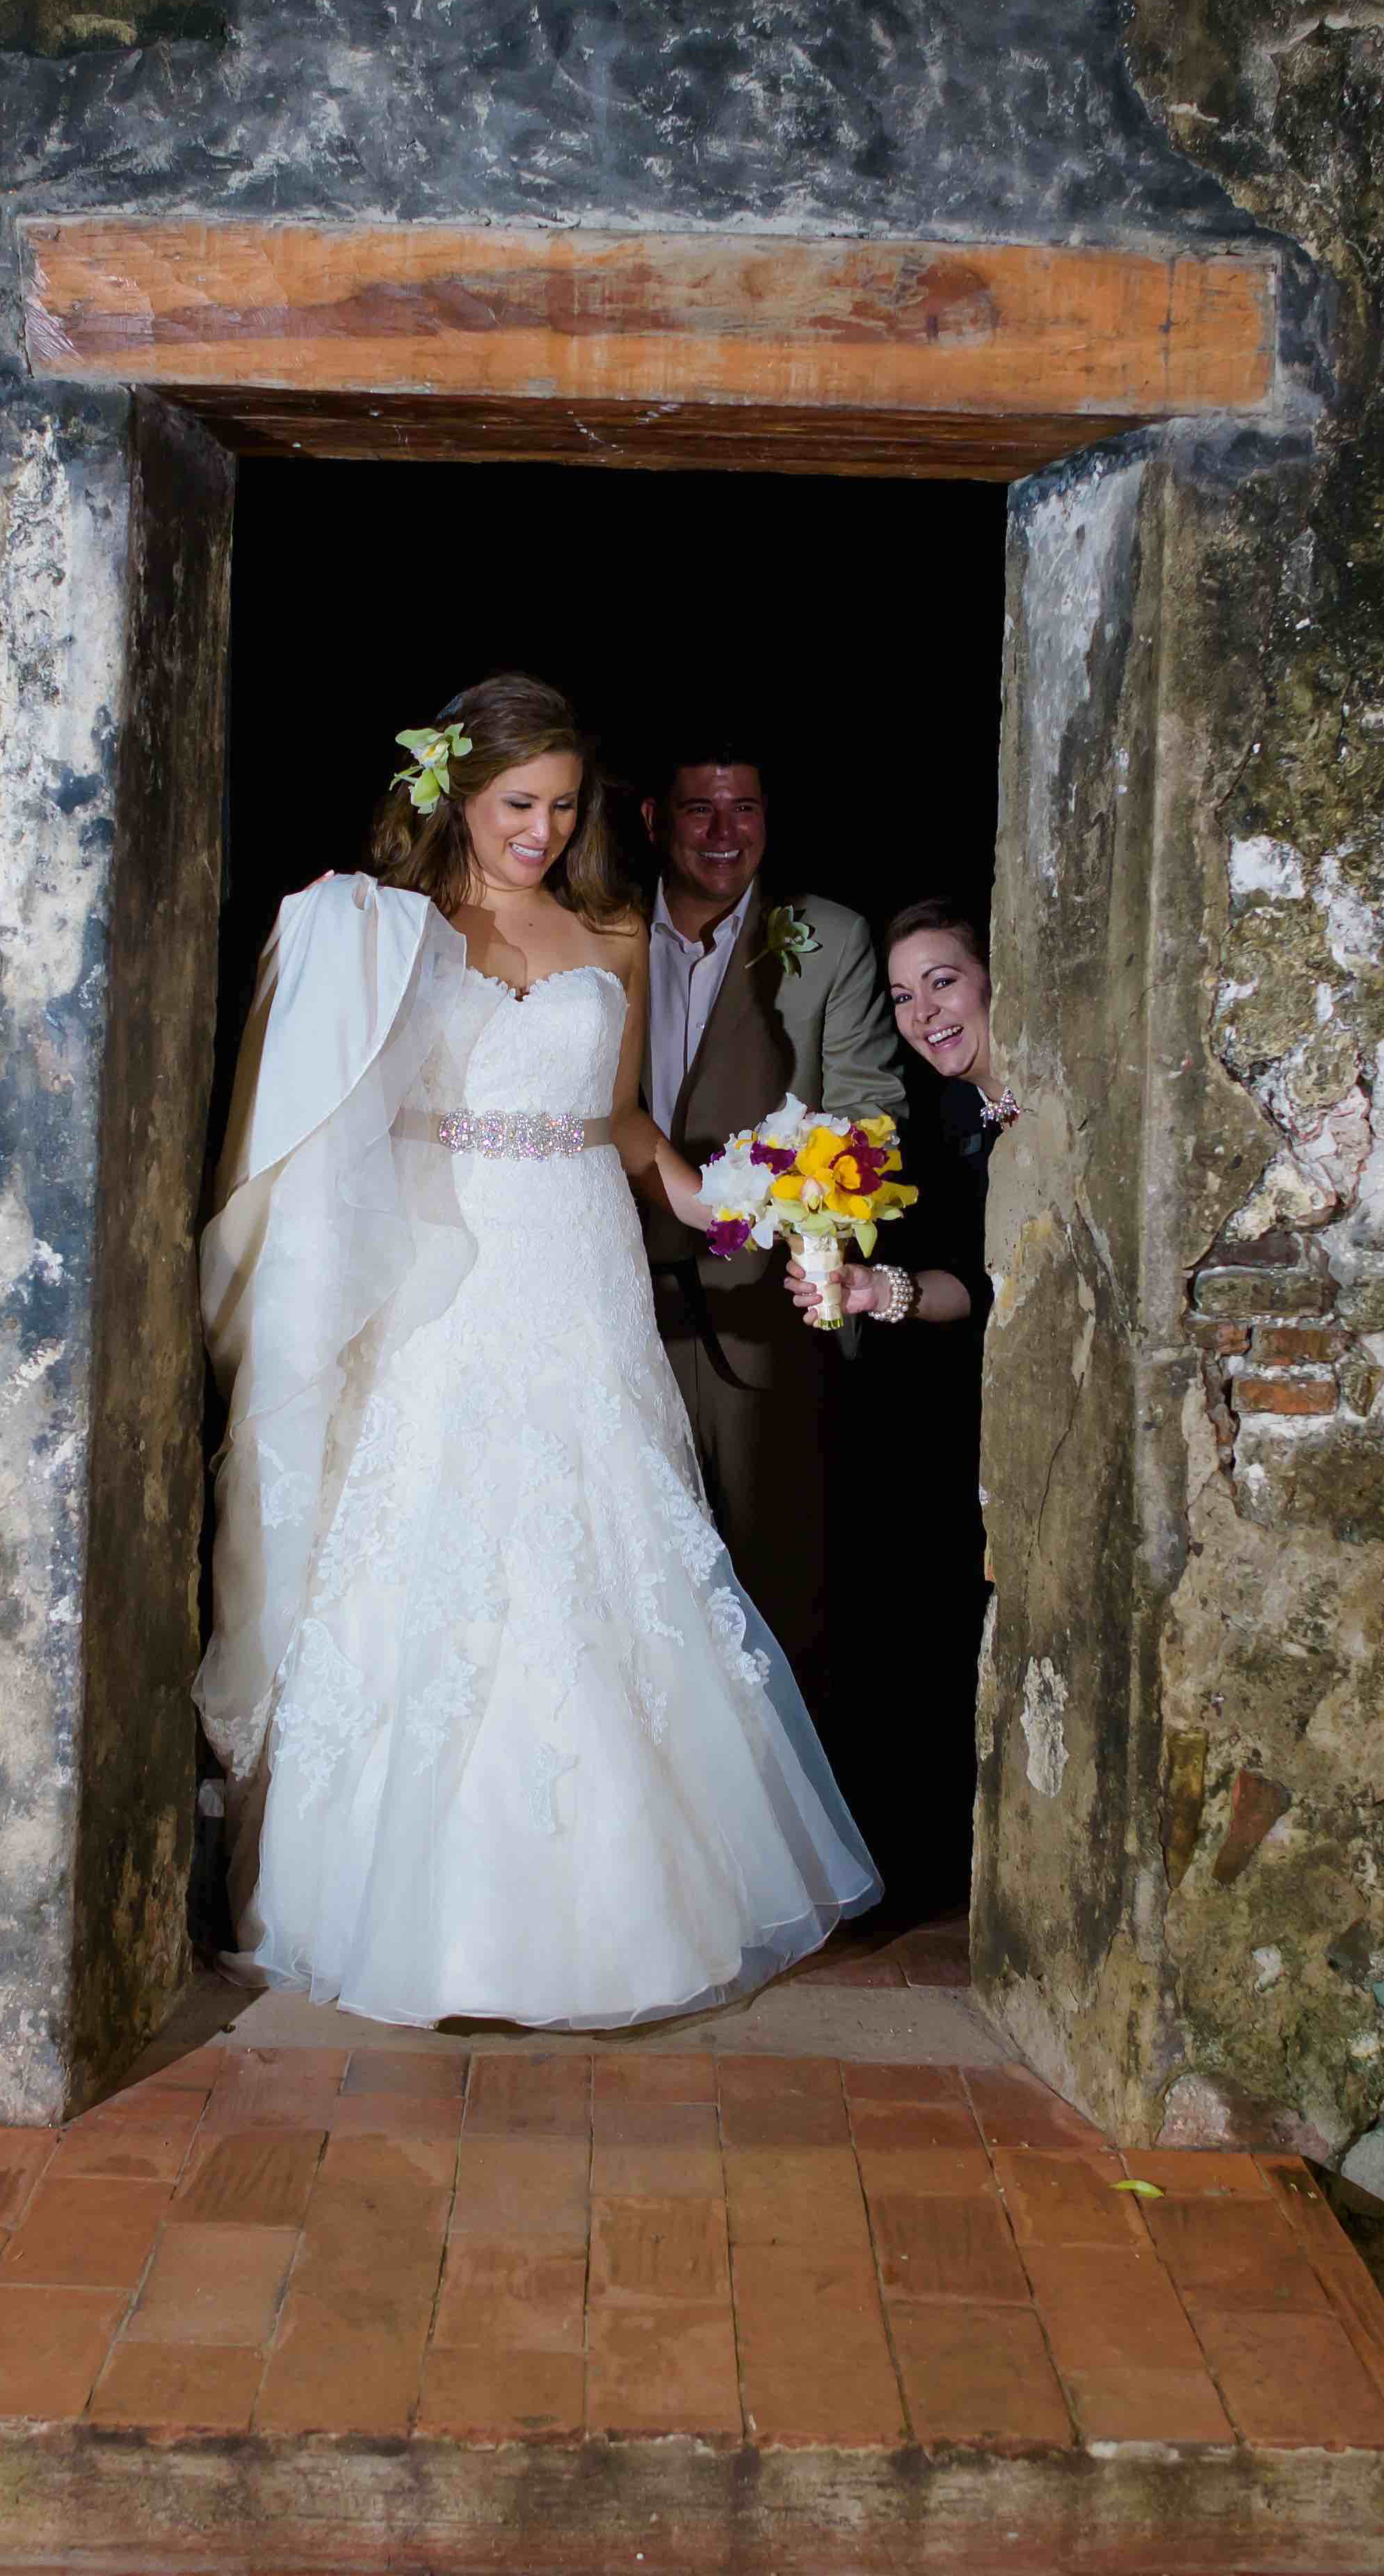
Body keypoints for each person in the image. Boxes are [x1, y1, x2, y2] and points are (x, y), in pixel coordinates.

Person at [193, 675, 879, 2029]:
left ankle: (627, 1913)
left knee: (595, 1540)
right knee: (436, 1537)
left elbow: (619, 1119)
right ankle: (408, 1913)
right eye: (519, 804)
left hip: (575, 1259)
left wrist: (721, 1196)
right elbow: (328, 1105)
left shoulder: (611, 929)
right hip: (441, 1265)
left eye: (563, 807)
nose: (542, 832)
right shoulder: (386, 928)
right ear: (455, 794)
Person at [631, 741, 902, 1682]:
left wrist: (813, 1218)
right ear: (654, 820)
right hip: (613, 1299)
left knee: (775, 1608)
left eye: (743, 808)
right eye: (699, 809)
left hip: (764, 1312)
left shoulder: (829, 935)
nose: (723, 832)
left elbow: (872, 1114)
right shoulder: (602, 926)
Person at [814, 901, 1015, 1916]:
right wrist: (871, 1291)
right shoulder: (942, 1119)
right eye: (901, 996)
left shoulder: (1050, 1099)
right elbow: (969, 1286)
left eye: (942, 981)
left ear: (992, 976)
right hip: (966, 1399)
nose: (924, 1012)